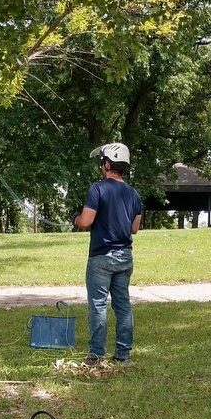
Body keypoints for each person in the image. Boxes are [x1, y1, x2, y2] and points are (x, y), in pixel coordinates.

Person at [74, 142, 143, 366]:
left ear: (107, 164)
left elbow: (85, 222)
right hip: (125, 257)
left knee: (98, 305)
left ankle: (96, 356)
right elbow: (134, 228)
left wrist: (75, 218)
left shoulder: (98, 188)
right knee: (123, 306)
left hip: (101, 258)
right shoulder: (134, 194)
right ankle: (123, 355)